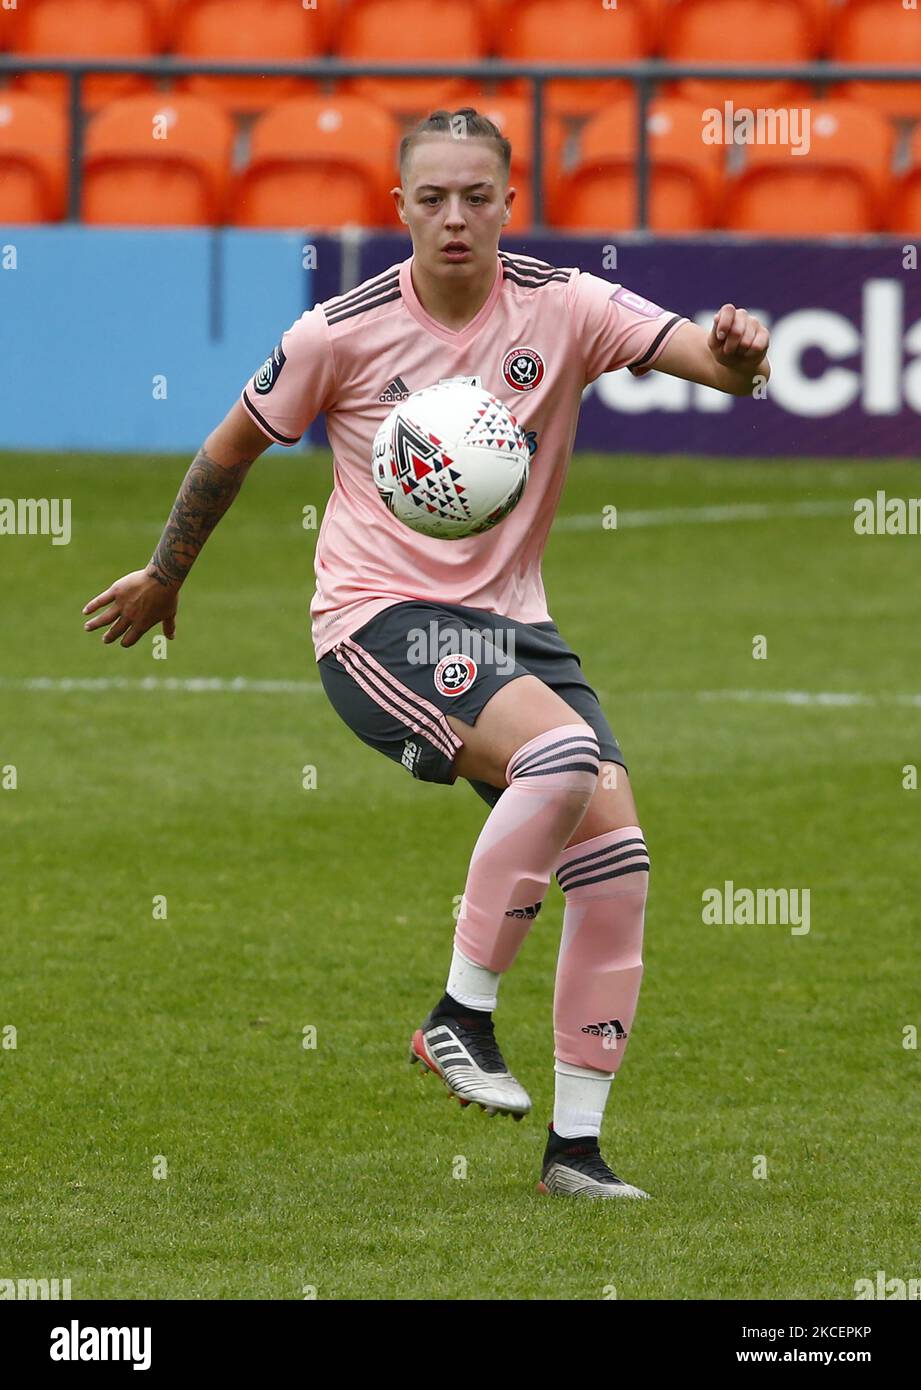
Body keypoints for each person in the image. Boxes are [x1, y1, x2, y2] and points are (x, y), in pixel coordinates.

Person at [83, 108, 771, 1199]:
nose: (456, 217)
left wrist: (739, 357)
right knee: (562, 761)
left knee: (617, 860)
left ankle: (576, 1154)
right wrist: (168, 572)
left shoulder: (568, 305)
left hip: (518, 628)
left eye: (477, 197)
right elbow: (230, 447)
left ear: (509, 202)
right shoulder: (337, 334)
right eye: (434, 197)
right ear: (398, 207)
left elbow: (716, 365)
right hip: (377, 621)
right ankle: (459, 1014)